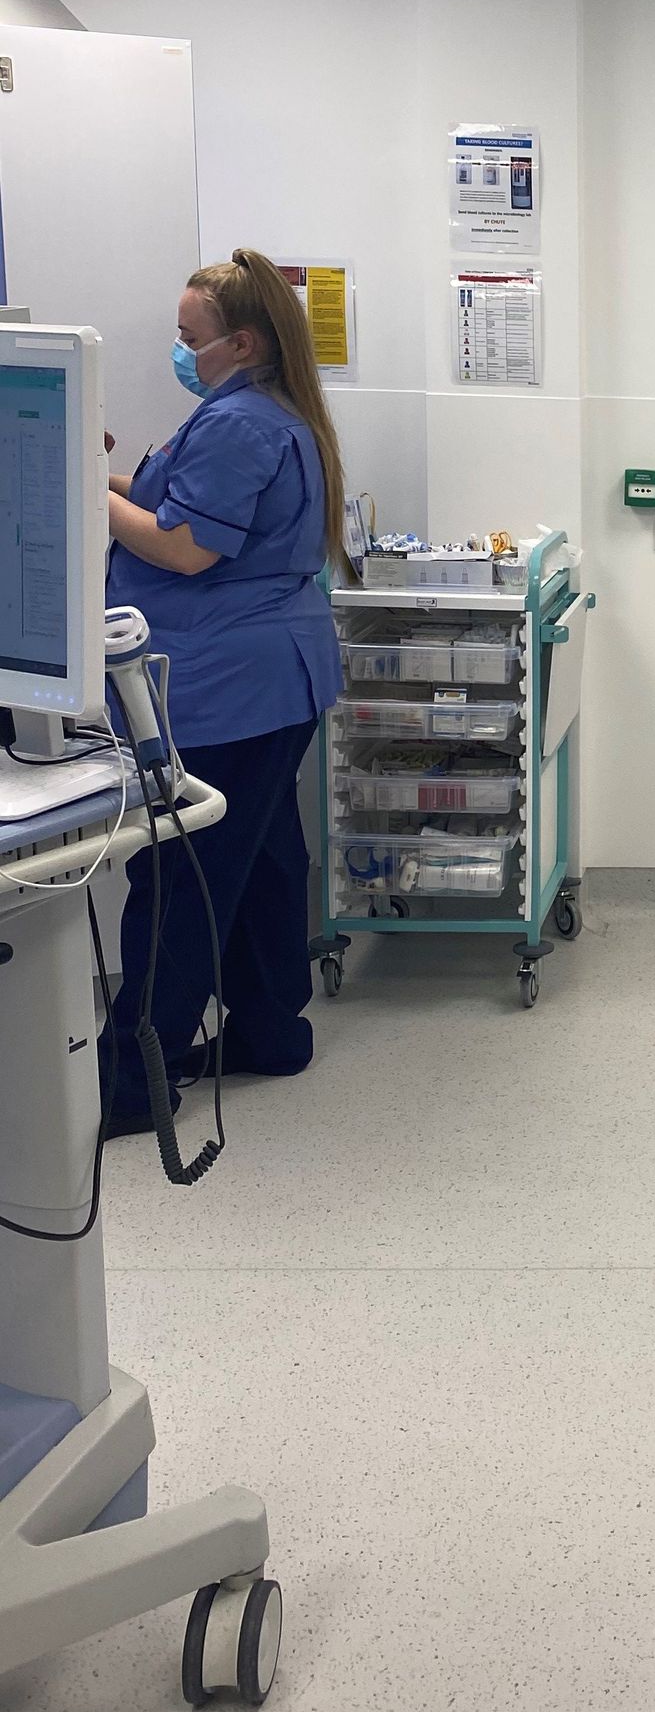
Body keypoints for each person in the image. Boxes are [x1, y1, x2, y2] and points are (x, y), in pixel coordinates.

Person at [101, 249, 347, 1137]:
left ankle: (136, 1081)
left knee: (182, 876)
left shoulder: (240, 424)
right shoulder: (257, 411)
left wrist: (86, 492)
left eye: (188, 338)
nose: (180, 350)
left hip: (230, 686)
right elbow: (179, 508)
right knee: (264, 857)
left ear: (241, 342)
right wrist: (108, 479)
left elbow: (185, 547)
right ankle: (271, 1033)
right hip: (271, 681)